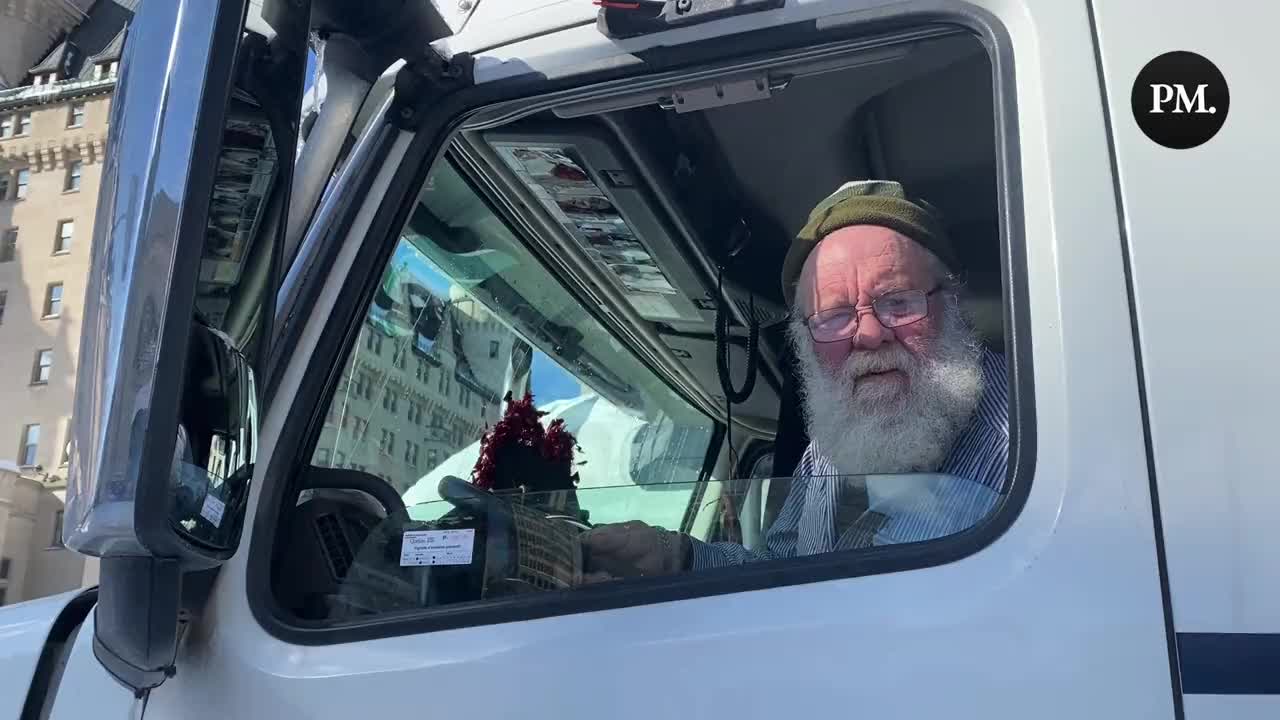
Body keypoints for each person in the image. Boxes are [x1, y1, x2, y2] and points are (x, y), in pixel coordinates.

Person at [580, 180, 1010, 580]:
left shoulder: (1036, 440)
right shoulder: (830, 447)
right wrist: (678, 558)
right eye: (835, 317)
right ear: (805, 340)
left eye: (898, 301)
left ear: (951, 303)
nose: (869, 334)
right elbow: (783, 570)